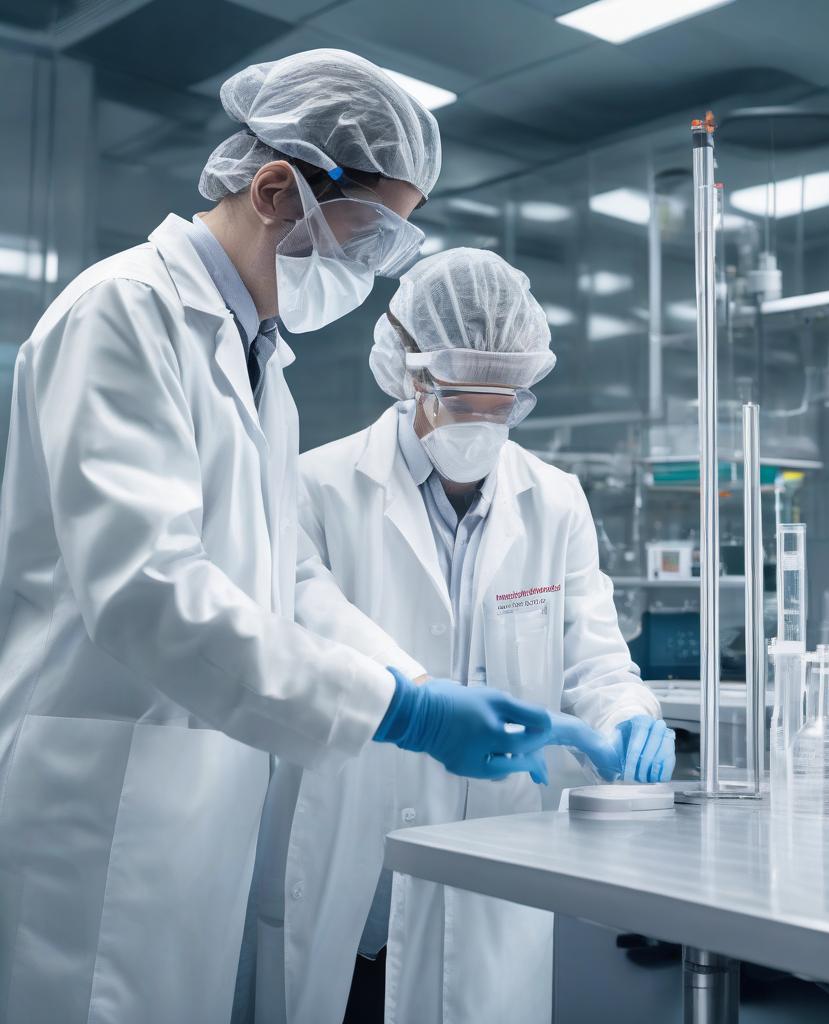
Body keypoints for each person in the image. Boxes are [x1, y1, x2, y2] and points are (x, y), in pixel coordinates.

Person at [0, 52, 559, 1024]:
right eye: (369, 236)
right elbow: (149, 590)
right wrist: (398, 711)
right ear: (273, 191)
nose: (372, 271)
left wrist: (417, 687)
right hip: (100, 804)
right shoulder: (123, 312)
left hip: (196, 808)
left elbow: (288, 585)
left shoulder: (261, 362)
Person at [266, 247, 675, 1024]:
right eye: (461, 398)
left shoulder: (555, 501)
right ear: (410, 375)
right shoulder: (317, 486)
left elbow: (593, 656)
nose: (483, 421)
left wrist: (627, 714)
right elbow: (306, 627)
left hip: (497, 874)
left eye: (504, 402)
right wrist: (421, 703)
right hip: (356, 876)